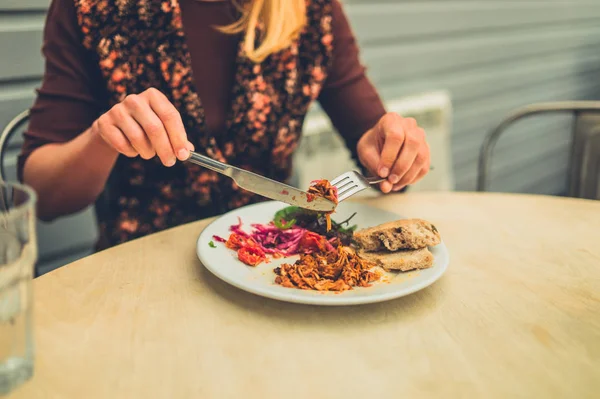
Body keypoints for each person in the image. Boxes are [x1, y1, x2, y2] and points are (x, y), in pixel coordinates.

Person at [19, 0, 431, 250]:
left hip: (275, 265)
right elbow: (46, 195)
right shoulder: (95, 9)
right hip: (141, 274)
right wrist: (101, 138)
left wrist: (394, 153)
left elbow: (377, 148)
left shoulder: (312, 11)